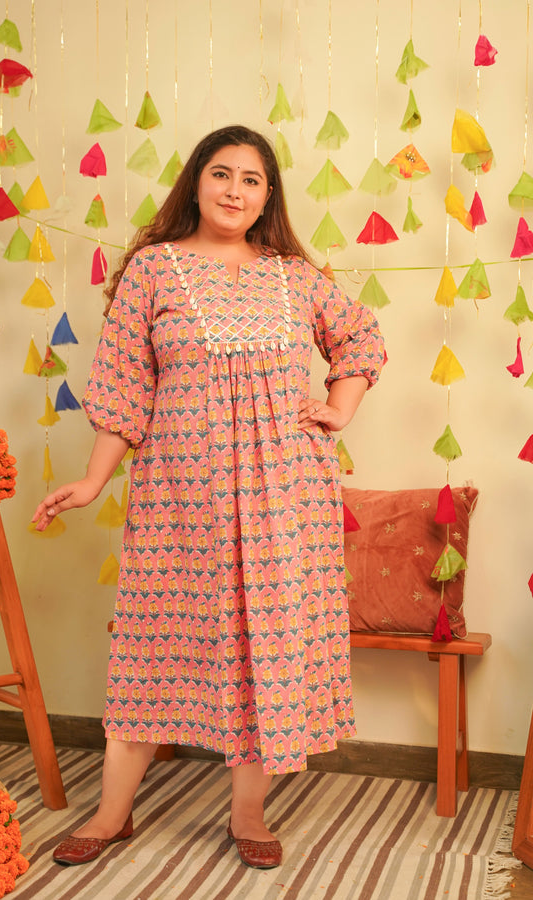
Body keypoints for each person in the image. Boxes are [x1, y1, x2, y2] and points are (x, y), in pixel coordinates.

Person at [33, 124, 385, 870]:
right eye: (221, 173)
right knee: (150, 648)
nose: (234, 190)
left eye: (252, 179)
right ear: (196, 182)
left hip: (284, 498)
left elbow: (359, 338)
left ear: (268, 196)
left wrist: (340, 406)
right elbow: (125, 385)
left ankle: (248, 814)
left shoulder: (295, 277)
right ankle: (112, 813)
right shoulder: (153, 270)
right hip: (179, 499)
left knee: (264, 652)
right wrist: (92, 481)